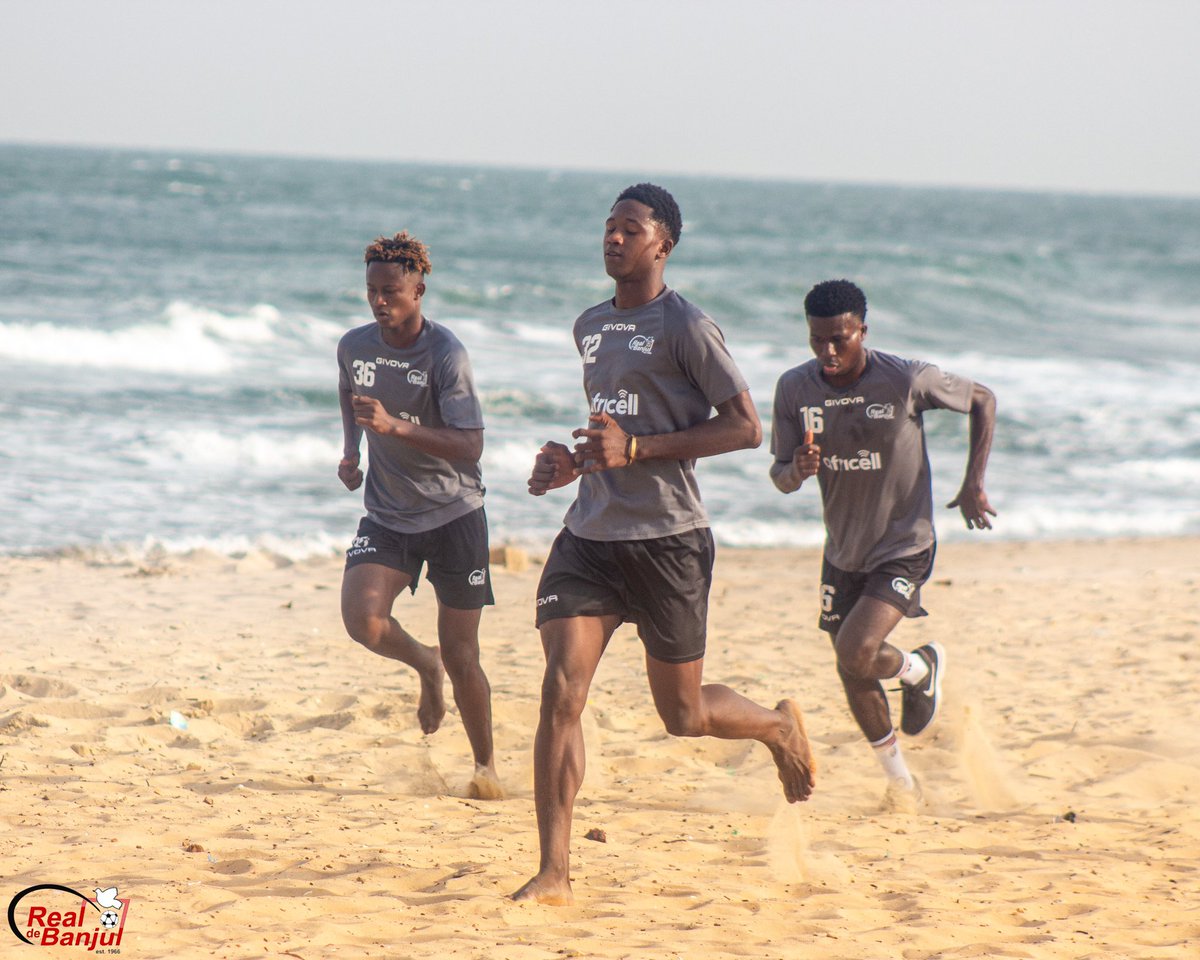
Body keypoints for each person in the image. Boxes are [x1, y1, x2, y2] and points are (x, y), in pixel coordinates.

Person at [512, 184, 816, 906]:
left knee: (682, 716)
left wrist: (638, 447)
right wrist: (573, 462)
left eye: (630, 229)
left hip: (668, 540)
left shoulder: (687, 326)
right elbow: (609, 430)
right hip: (589, 535)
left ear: (663, 245)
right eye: (608, 227)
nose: (614, 238)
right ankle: (555, 871)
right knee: (561, 690)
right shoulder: (588, 325)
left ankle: (776, 727)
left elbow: (743, 428)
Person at [770, 278, 996, 804]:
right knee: (851, 668)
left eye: (839, 339)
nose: (827, 351)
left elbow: (983, 398)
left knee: (856, 649)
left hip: (904, 543)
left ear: (862, 331)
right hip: (842, 551)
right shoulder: (795, 389)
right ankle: (901, 781)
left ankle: (919, 669)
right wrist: (797, 471)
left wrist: (973, 482)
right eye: (816, 340)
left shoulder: (906, 379)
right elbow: (779, 475)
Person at [336, 231, 502, 800]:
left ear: (419, 289)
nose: (380, 302)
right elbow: (349, 388)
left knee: (463, 654)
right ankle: (423, 666)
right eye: (371, 292)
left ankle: (485, 767)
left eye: (392, 292)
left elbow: (472, 444)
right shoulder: (355, 345)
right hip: (387, 509)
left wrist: (394, 427)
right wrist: (352, 450)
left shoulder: (445, 353)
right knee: (363, 620)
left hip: (455, 513)